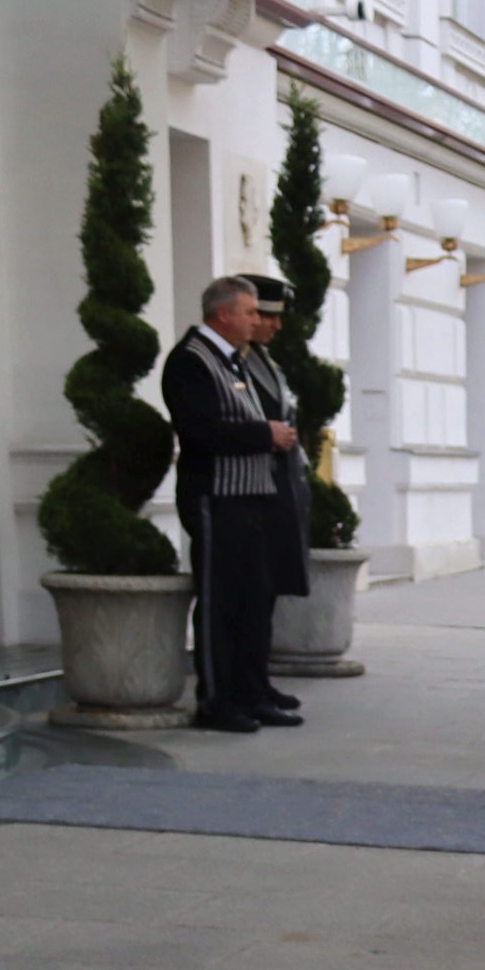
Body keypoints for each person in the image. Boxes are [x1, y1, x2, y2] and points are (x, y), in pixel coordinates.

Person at [162, 275, 301, 731]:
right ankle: (217, 701)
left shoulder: (235, 361)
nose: (257, 320)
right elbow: (200, 431)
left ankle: (252, 692)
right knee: (221, 603)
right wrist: (267, 434)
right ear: (223, 314)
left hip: (252, 498)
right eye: (249, 312)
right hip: (216, 498)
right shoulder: (190, 361)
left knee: (253, 599)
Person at [241, 274, 314, 675]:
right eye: (265, 316)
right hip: (255, 489)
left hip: (279, 486)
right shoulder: (237, 362)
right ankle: (246, 684)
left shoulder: (265, 360)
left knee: (267, 592)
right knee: (250, 596)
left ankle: (258, 680)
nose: (273, 325)